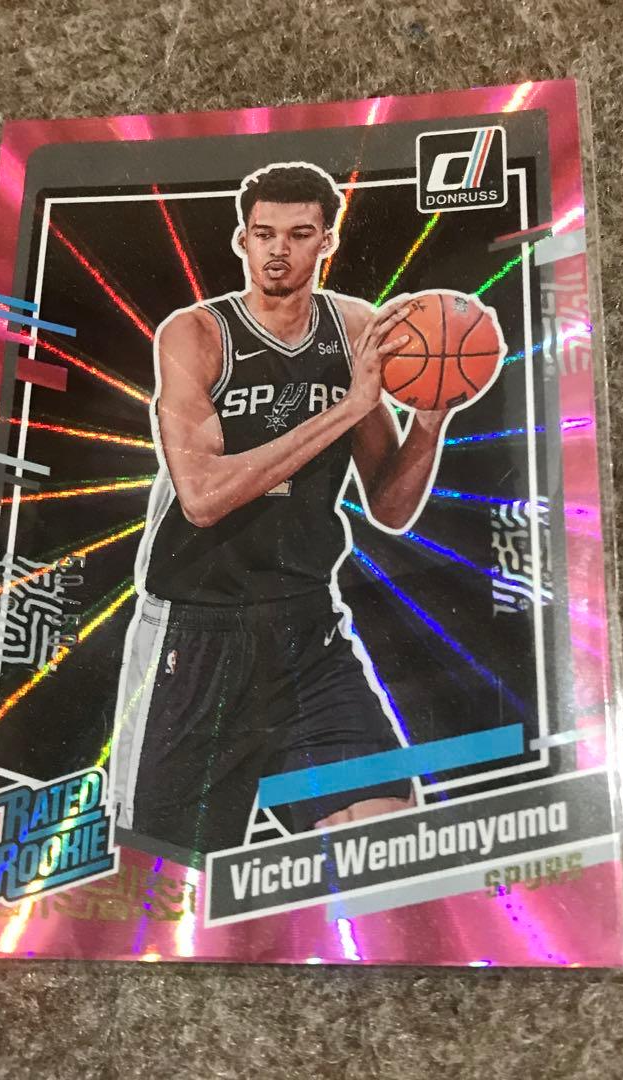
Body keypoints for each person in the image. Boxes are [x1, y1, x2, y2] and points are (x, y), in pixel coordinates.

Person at [110, 162, 452, 856]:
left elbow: (389, 506)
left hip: (306, 627)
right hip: (196, 635)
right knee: (162, 877)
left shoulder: (355, 328)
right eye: (264, 233)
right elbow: (202, 498)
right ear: (241, 240)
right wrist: (349, 408)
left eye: (299, 234)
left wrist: (431, 416)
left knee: (380, 841)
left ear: (327, 241)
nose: (278, 250)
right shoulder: (197, 335)